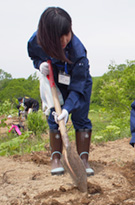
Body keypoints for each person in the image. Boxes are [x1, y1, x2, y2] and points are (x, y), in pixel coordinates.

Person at [27, 7, 94, 176]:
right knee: (54, 117)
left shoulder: (78, 52)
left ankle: (83, 160)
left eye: (67, 33)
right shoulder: (36, 41)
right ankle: (56, 158)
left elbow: (78, 88)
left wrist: (67, 108)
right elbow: (34, 56)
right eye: (59, 37)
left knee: (80, 116)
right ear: (48, 36)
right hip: (54, 81)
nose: (64, 40)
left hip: (79, 83)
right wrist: (39, 64)